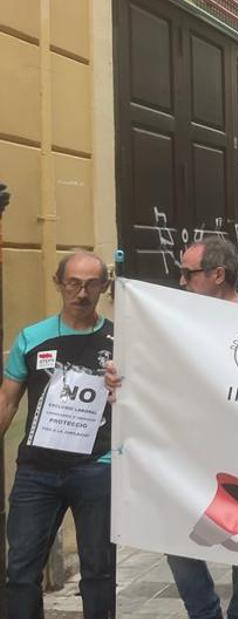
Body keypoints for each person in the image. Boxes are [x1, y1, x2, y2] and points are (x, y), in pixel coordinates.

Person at [104, 237, 238, 619]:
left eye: (187, 273)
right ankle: (203, 613)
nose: (180, 281)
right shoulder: (168, 315)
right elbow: (143, 368)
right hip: (181, 452)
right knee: (175, 537)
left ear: (217, 275)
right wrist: (120, 380)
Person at [2, 252, 116, 619]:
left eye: (91, 284)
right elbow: (7, 400)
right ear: (58, 283)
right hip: (37, 471)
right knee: (20, 571)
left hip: (97, 468)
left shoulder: (121, 341)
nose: (81, 293)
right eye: (73, 283)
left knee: (99, 571)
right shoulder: (31, 338)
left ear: (104, 287)